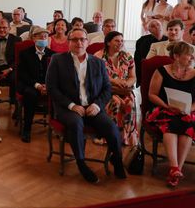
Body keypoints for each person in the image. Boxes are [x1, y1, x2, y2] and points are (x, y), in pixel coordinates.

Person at [45, 28, 125, 183]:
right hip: (68, 108)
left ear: (88, 42)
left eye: (82, 39)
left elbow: (107, 88)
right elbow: (51, 88)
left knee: (111, 127)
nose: (79, 43)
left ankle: (117, 159)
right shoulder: (57, 60)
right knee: (76, 123)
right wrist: (71, 105)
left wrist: (97, 105)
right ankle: (81, 163)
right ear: (68, 43)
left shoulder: (98, 63)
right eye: (74, 40)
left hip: (92, 107)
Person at [147, 41, 195, 187]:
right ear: (176, 56)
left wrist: (190, 109)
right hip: (164, 109)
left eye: (193, 55)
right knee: (169, 121)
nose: (192, 58)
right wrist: (167, 106)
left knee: (188, 123)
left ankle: (176, 171)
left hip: (188, 111)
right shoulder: (161, 71)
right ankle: (174, 168)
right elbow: (152, 94)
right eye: (189, 55)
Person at [95, 31, 138, 146]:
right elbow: (96, 77)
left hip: (123, 89)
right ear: (108, 42)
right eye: (117, 41)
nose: (120, 43)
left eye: (121, 41)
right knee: (116, 102)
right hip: (105, 90)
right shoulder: (98, 56)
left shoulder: (127, 56)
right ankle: (109, 136)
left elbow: (133, 76)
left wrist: (127, 84)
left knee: (129, 103)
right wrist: (115, 81)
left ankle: (126, 137)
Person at [17, 26, 54, 143]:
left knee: (61, 93)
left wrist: (48, 86)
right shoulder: (24, 54)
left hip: (49, 85)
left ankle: (61, 128)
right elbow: (23, 74)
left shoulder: (54, 55)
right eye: (41, 37)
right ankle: (27, 129)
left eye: (46, 37)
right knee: (30, 94)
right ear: (34, 38)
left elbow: (56, 74)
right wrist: (37, 85)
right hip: (30, 84)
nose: (44, 39)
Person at [0, 19, 18, 104]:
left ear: (9, 28)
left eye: (4, 28)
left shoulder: (16, 40)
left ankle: (14, 102)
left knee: (14, 78)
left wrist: (9, 69)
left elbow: (18, 59)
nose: (1, 30)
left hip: (10, 67)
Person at [134, 19, 167, 84]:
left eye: (158, 24)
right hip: (148, 69)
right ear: (149, 30)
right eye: (153, 26)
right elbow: (138, 59)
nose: (156, 27)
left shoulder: (168, 40)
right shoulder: (142, 40)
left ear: (162, 27)